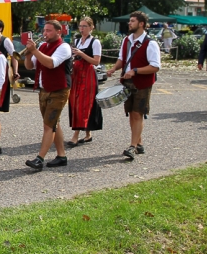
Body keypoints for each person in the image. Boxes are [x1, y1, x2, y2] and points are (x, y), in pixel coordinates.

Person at [107, 11, 161, 160]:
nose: (129, 23)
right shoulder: (126, 40)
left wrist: (135, 71)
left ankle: (133, 146)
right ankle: (139, 142)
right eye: (129, 21)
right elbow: (121, 59)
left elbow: (155, 67)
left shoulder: (151, 43)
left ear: (141, 24)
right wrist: (113, 69)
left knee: (137, 114)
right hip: (127, 82)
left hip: (142, 83)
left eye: (132, 21)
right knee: (132, 114)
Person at [23, 20, 73, 171]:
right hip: (44, 90)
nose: (45, 34)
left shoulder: (64, 47)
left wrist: (35, 51)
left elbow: (51, 63)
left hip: (59, 90)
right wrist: (27, 54)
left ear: (59, 32)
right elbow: (30, 66)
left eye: (49, 31)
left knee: (48, 125)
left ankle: (39, 159)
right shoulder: (43, 46)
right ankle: (61, 156)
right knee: (53, 124)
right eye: (44, 30)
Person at [67, 17, 103, 147]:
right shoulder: (77, 40)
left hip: (88, 75)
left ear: (91, 27)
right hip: (76, 74)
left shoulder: (95, 42)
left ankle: (75, 135)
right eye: (80, 26)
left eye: (85, 26)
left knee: (84, 103)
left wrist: (81, 54)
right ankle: (88, 134)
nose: (82, 29)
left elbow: (96, 61)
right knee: (75, 102)